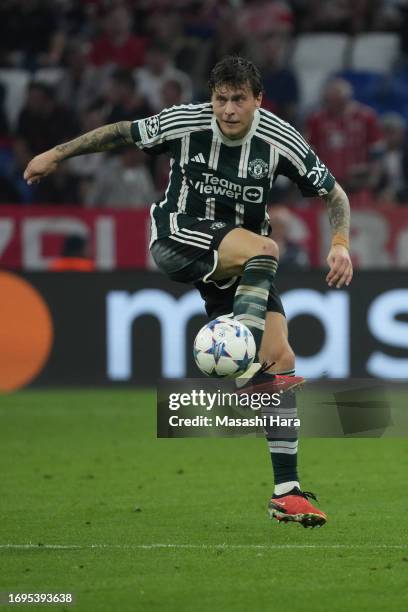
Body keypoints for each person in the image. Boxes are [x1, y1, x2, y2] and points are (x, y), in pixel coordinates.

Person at [23, 56, 353, 528]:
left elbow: (334, 193)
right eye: (221, 99)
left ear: (258, 100)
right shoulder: (185, 122)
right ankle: (241, 358)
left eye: (239, 99)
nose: (229, 109)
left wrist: (340, 244)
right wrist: (56, 154)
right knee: (266, 249)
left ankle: (286, 491)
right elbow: (122, 132)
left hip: (235, 258)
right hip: (178, 238)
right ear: (212, 99)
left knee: (281, 359)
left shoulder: (281, 140)